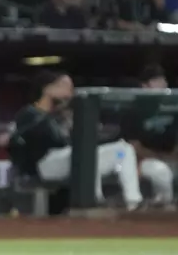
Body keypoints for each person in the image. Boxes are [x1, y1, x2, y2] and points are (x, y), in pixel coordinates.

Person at [8, 70, 143, 211]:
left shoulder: (66, 114)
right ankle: (94, 201)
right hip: (46, 164)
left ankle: (133, 202)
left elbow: (85, 139)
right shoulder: (30, 113)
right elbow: (35, 141)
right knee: (85, 153)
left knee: (123, 150)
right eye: (64, 86)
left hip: (73, 160)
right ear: (47, 88)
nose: (70, 92)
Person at [121, 65, 176, 209]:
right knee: (161, 171)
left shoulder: (173, 107)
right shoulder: (134, 110)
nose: (162, 84)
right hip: (142, 160)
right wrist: (160, 157)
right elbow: (133, 146)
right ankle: (163, 211)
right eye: (156, 80)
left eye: (163, 80)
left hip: (170, 157)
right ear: (144, 86)